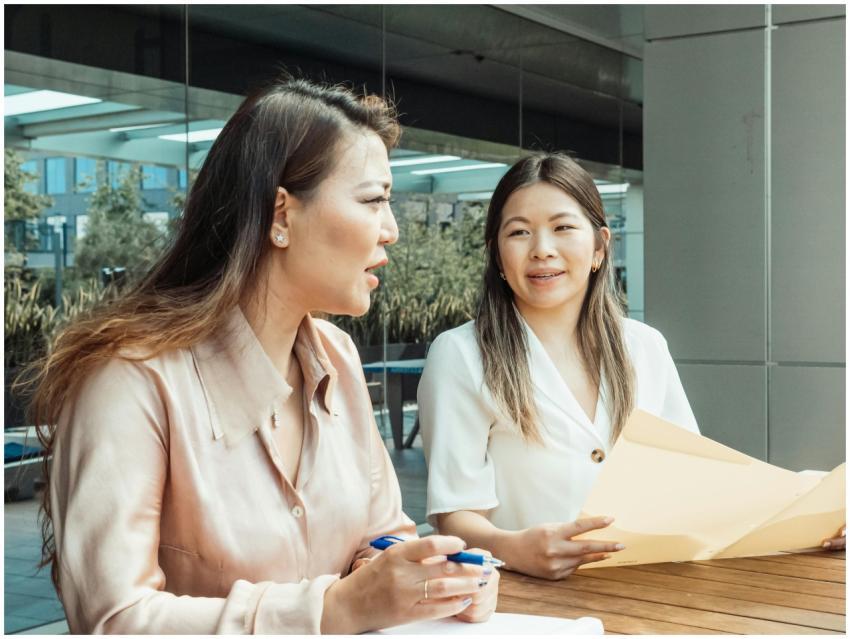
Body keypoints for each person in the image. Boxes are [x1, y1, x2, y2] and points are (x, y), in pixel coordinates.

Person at [24, 78, 498, 634]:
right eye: (373, 200)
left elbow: (382, 537)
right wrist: (331, 610)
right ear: (280, 215)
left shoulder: (338, 358)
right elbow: (114, 619)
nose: (391, 230)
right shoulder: (129, 380)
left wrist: (428, 579)